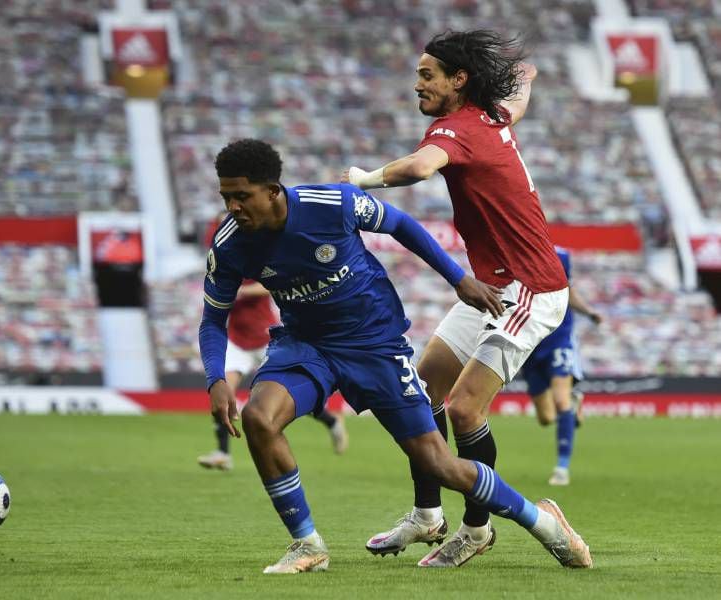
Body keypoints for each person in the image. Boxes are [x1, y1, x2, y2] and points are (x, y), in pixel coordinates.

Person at [201, 138, 591, 574]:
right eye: (226, 197)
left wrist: (458, 278)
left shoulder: (333, 204)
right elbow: (211, 320)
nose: (233, 207)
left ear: (273, 190)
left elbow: (402, 225)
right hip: (305, 345)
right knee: (259, 418)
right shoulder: (230, 243)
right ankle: (307, 544)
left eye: (241, 196)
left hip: (374, 344)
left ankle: (544, 523)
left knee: (437, 463)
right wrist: (216, 379)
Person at [345, 30, 574, 567]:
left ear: (458, 80)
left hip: (530, 290)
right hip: (493, 287)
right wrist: (524, 80)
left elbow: (421, 168)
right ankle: (428, 516)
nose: (417, 84)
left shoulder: (458, 128)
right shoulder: (491, 116)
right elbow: (516, 101)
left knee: (466, 408)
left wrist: (365, 179)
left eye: (428, 75)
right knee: (423, 389)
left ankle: (476, 528)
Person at [197, 277, 348, 471]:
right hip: (237, 340)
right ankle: (223, 454)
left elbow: (268, 285)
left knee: (285, 394)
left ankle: (331, 421)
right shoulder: (227, 263)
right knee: (224, 393)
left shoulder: (254, 261)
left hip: (264, 336)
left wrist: (241, 291)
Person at [521, 247, 602, 486]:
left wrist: (589, 312)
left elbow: (568, 291)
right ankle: (573, 405)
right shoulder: (517, 254)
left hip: (559, 340)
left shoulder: (561, 256)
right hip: (530, 343)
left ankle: (561, 468)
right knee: (546, 417)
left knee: (561, 401)